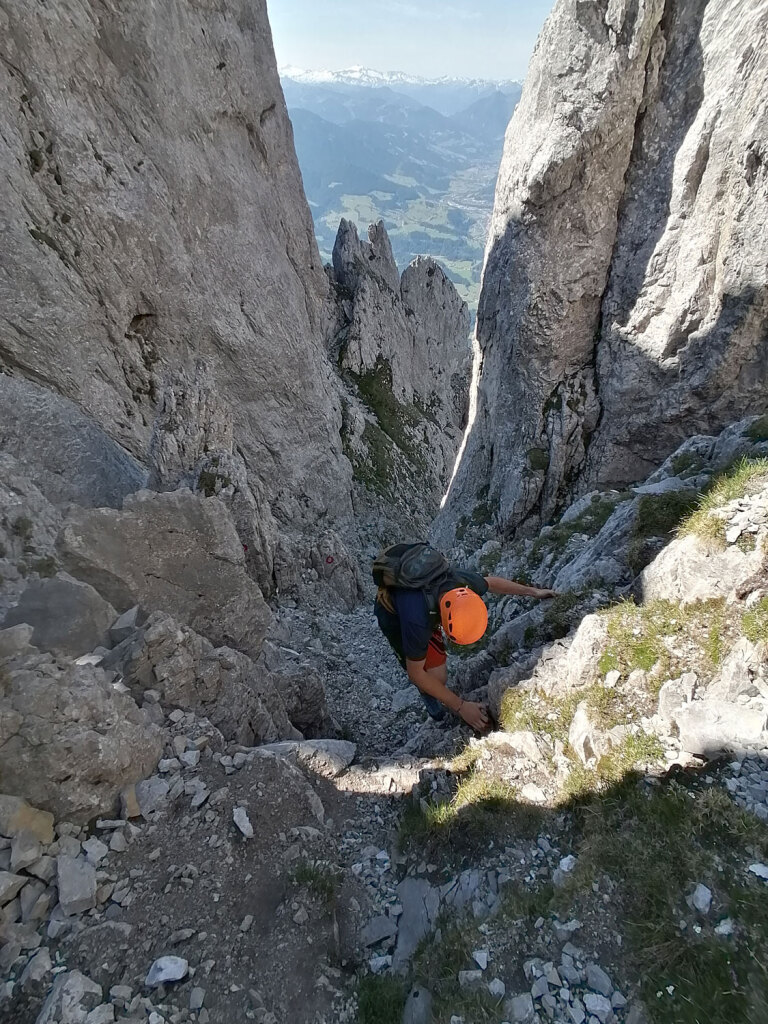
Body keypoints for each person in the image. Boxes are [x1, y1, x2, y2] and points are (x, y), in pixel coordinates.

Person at [374, 544, 557, 733]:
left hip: (429, 608)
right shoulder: (416, 620)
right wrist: (461, 707)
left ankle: (430, 687)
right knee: (430, 676)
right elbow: (416, 673)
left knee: (438, 678)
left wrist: (533, 592)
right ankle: (427, 697)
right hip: (393, 617)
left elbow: (490, 583)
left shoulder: (461, 585)